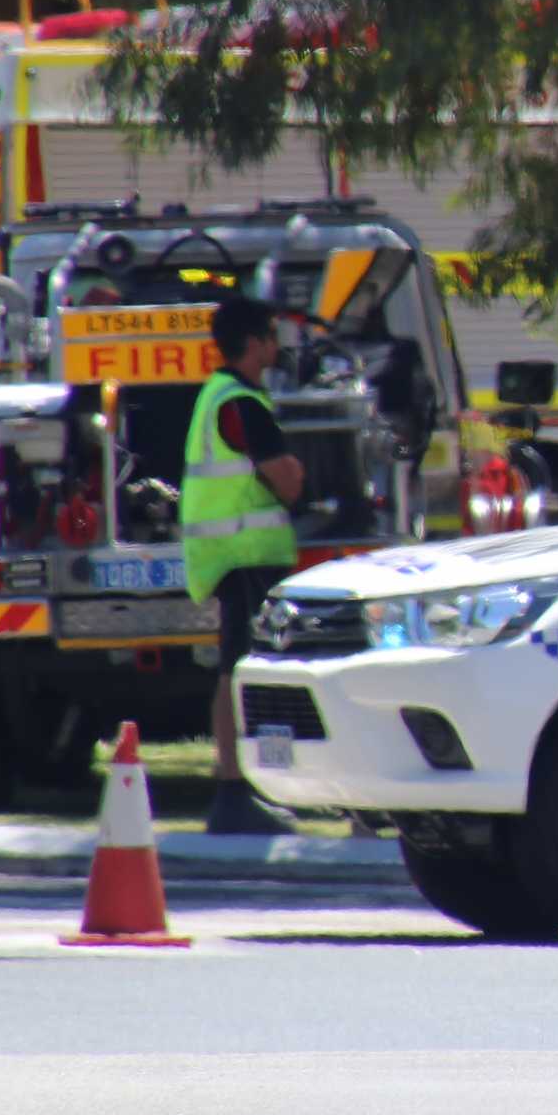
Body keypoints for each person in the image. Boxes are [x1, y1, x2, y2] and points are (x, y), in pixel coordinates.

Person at [186, 296, 305, 836]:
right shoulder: (241, 403)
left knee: (237, 672)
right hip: (247, 558)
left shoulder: (220, 396)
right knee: (239, 674)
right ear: (255, 342)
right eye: (272, 336)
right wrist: (303, 474)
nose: (277, 347)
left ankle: (243, 788)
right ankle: (235, 793)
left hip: (236, 558)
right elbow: (287, 480)